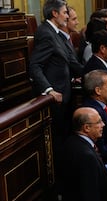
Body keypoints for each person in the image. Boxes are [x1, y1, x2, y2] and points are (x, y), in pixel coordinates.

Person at [29, 0, 83, 190]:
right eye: (65, 13)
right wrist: (49, 90)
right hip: (55, 100)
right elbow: (35, 65)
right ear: (54, 13)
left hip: (66, 94)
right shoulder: (46, 33)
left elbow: (64, 62)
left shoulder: (56, 33)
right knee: (58, 143)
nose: (67, 16)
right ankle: (59, 186)